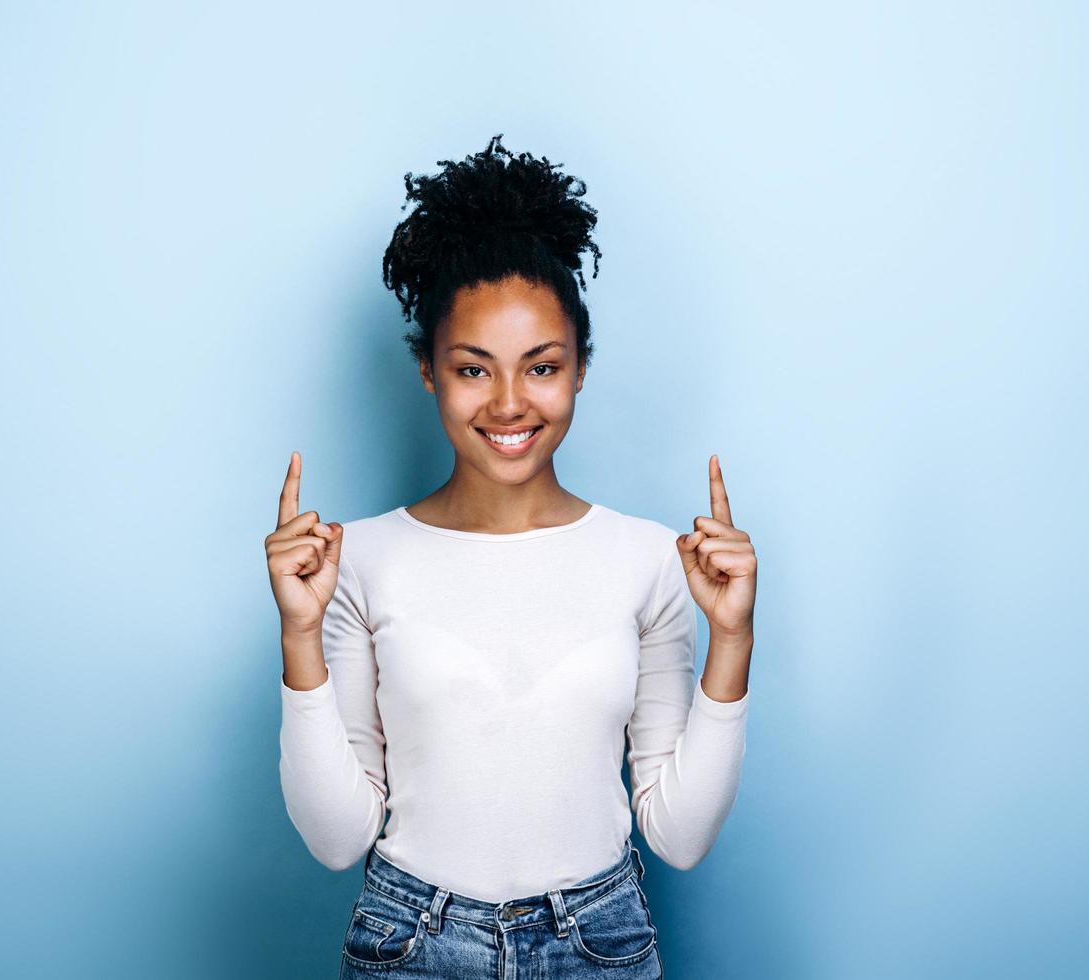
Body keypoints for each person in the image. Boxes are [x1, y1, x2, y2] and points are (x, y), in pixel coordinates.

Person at [267, 134, 758, 978]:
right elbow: (336, 840)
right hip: (412, 941)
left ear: (578, 370)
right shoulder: (360, 561)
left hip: (598, 944)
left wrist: (733, 643)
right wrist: (299, 636)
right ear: (427, 370)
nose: (507, 403)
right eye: (471, 369)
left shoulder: (648, 560)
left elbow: (676, 838)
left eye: (540, 367)